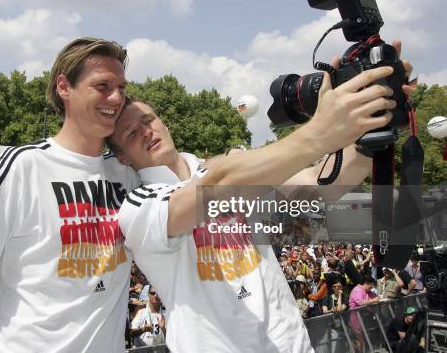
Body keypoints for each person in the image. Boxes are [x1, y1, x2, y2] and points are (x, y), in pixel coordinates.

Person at [106, 60, 413, 352]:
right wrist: (319, 132)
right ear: (122, 157)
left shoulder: (232, 168)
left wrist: (377, 119)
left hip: (291, 343)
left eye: (149, 120)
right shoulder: (137, 206)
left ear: (165, 123)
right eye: (132, 133)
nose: (146, 131)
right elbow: (218, 186)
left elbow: (322, 184)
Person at [0, 37, 139, 352]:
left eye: (122, 89)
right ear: (64, 87)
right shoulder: (23, 165)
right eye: (103, 86)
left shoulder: (129, 174)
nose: (116, 98)